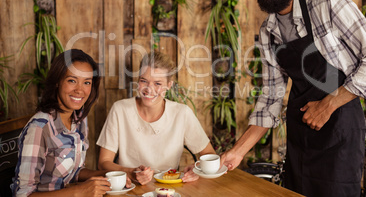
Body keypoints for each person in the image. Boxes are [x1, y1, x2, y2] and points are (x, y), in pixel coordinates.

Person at [220, 0, 366, 197]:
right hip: (301, 135)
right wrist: (236, 152)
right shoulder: (268, 32)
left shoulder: (328, 3)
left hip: (341, 129)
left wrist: (328, 104)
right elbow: (270, 99)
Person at [11, 49, 123, 197]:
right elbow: (22, 194)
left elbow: (74, 171)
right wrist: (79, 191)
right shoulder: (40, 128)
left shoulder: (80, 119)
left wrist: (111, 175)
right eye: (72, 80)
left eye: (87, 82)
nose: (80, 90)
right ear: (57, 81)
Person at [97, 51, 215, 185]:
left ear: (169, 86)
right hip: (129, 188)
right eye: (144, 81)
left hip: (169, 189)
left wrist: (197, 169)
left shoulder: (182, 113)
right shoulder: (120, 109)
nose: (149, 89)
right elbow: (103, 162)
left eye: (158, 83)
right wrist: (130, 172)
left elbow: (210, 154)